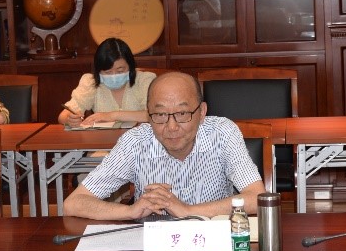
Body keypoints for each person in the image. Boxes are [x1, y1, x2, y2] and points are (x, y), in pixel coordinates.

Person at [63, 71, 265, 220]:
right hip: (155, 248)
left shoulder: (222, 133)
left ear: (202, 112)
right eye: (160, 115)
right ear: (148, 115)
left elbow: (257, 198)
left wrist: (187, 211)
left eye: (182, 113)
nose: (172, 126)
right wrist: (130, 211)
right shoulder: (135, 143)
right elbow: (73, 204)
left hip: (211, 244)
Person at [58, 37, 156, 128]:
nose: (114, 76)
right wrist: (70, 120)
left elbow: (154, 114)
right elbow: (62, 116)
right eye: (108, 72)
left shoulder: (144, 80)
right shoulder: (90, 82)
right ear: (98, 71)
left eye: (120, 71)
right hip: (103, 139)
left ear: (130, 67)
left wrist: (112, 116)